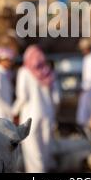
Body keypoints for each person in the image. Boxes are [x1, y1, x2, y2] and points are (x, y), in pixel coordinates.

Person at [12, 45, 60, 173]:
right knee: (45, 149)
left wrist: (13, 112)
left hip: (30, 115)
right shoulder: (48, 72)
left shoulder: (24, 72)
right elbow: (57, 98)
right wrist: (53, 112)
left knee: (32, 151)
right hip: (48, 114)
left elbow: (22, 97)